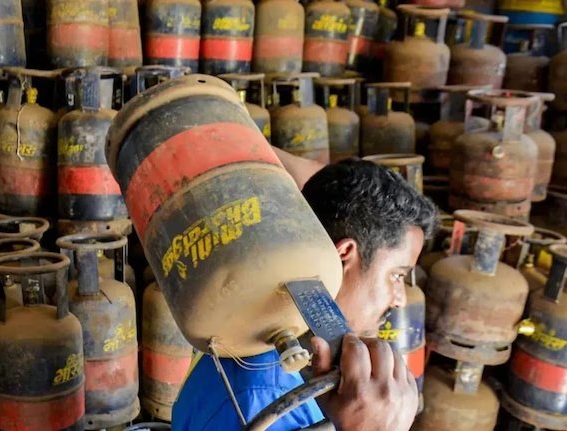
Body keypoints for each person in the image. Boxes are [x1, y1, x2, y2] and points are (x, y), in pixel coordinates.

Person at [171, 150, 437, 431]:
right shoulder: (265, 398)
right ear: (343, 255)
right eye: (397, 276)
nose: (399, 299)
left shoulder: (254, 327)